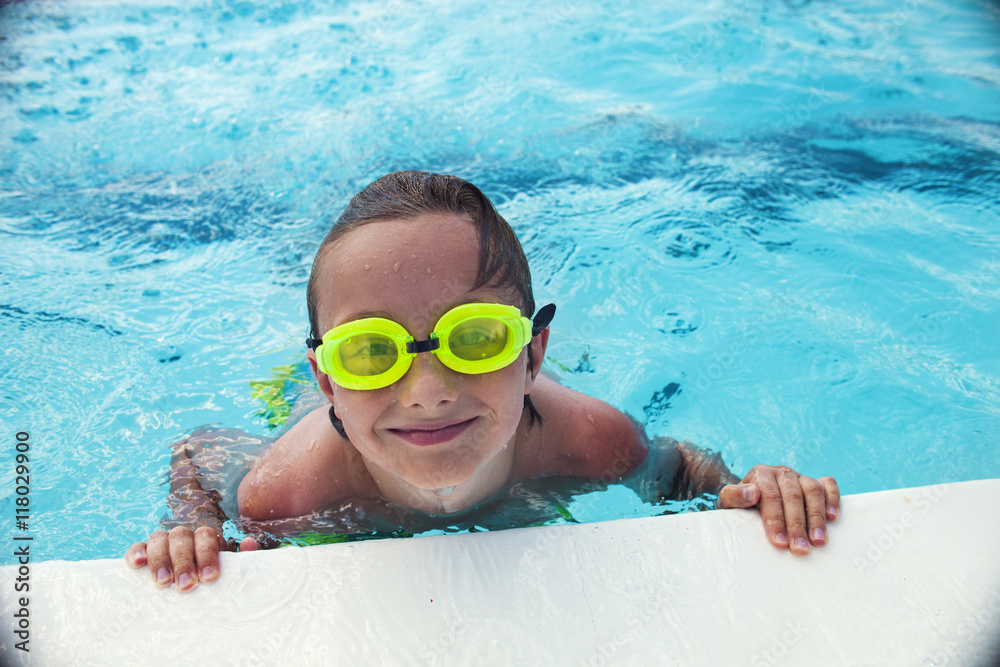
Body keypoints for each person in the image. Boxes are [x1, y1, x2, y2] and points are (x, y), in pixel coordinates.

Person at [125, 170, 840, 591]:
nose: (428, 388)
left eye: (477, 338)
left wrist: (750, 489)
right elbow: (201, 452)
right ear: (328, 378)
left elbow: (682, 468)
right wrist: (193, 518)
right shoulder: (286, 492)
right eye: (370, 354)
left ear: (532, 355)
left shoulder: (588, 441)